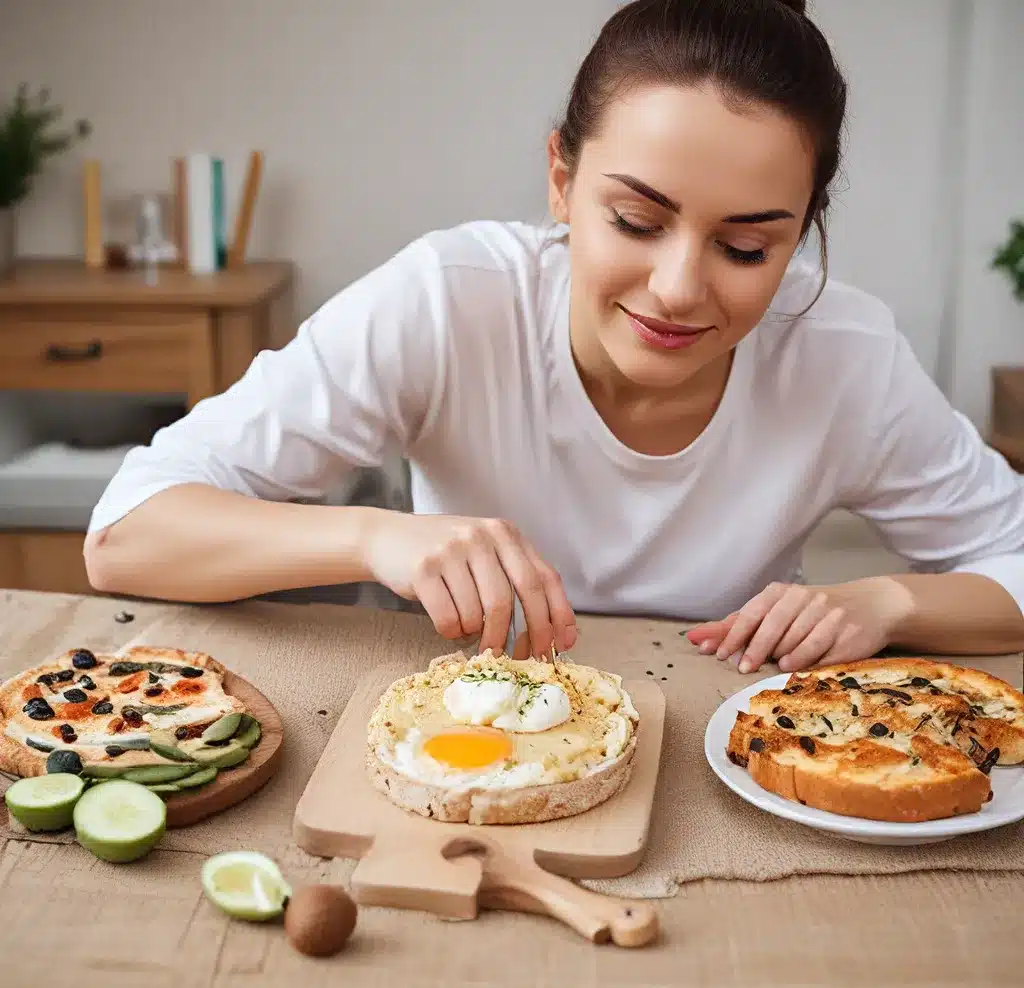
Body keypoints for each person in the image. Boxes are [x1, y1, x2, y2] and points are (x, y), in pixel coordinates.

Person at [84, 0, 1024, 675]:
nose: (678, 290)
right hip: (459, 718)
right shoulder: (450, 299)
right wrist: (378, 540)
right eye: (636, 220)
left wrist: (890, 602)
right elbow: (126, 536)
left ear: (800, 234)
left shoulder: (844, 354)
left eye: (746, 246)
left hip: (728, 731)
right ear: (562, 180)